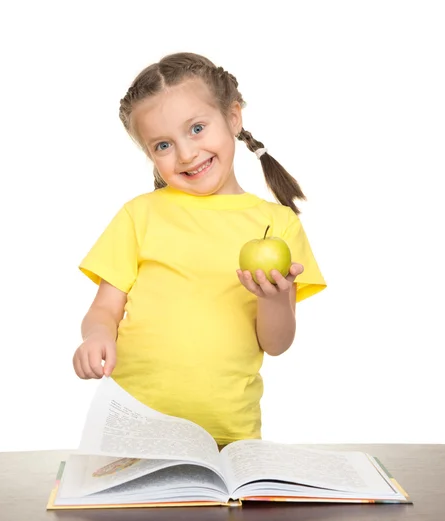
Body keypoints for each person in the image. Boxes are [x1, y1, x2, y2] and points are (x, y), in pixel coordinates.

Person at [72, 52, 326, 448]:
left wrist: (273, 301)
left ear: (234, 117)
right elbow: (104, 309)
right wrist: (96, 336)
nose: (187, 154)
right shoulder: (140, 215)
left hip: (230, 437)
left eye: (196, 128)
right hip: (136, 431)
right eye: (162, 145)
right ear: (149, 155)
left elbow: (276, 345)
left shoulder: (278, 225)